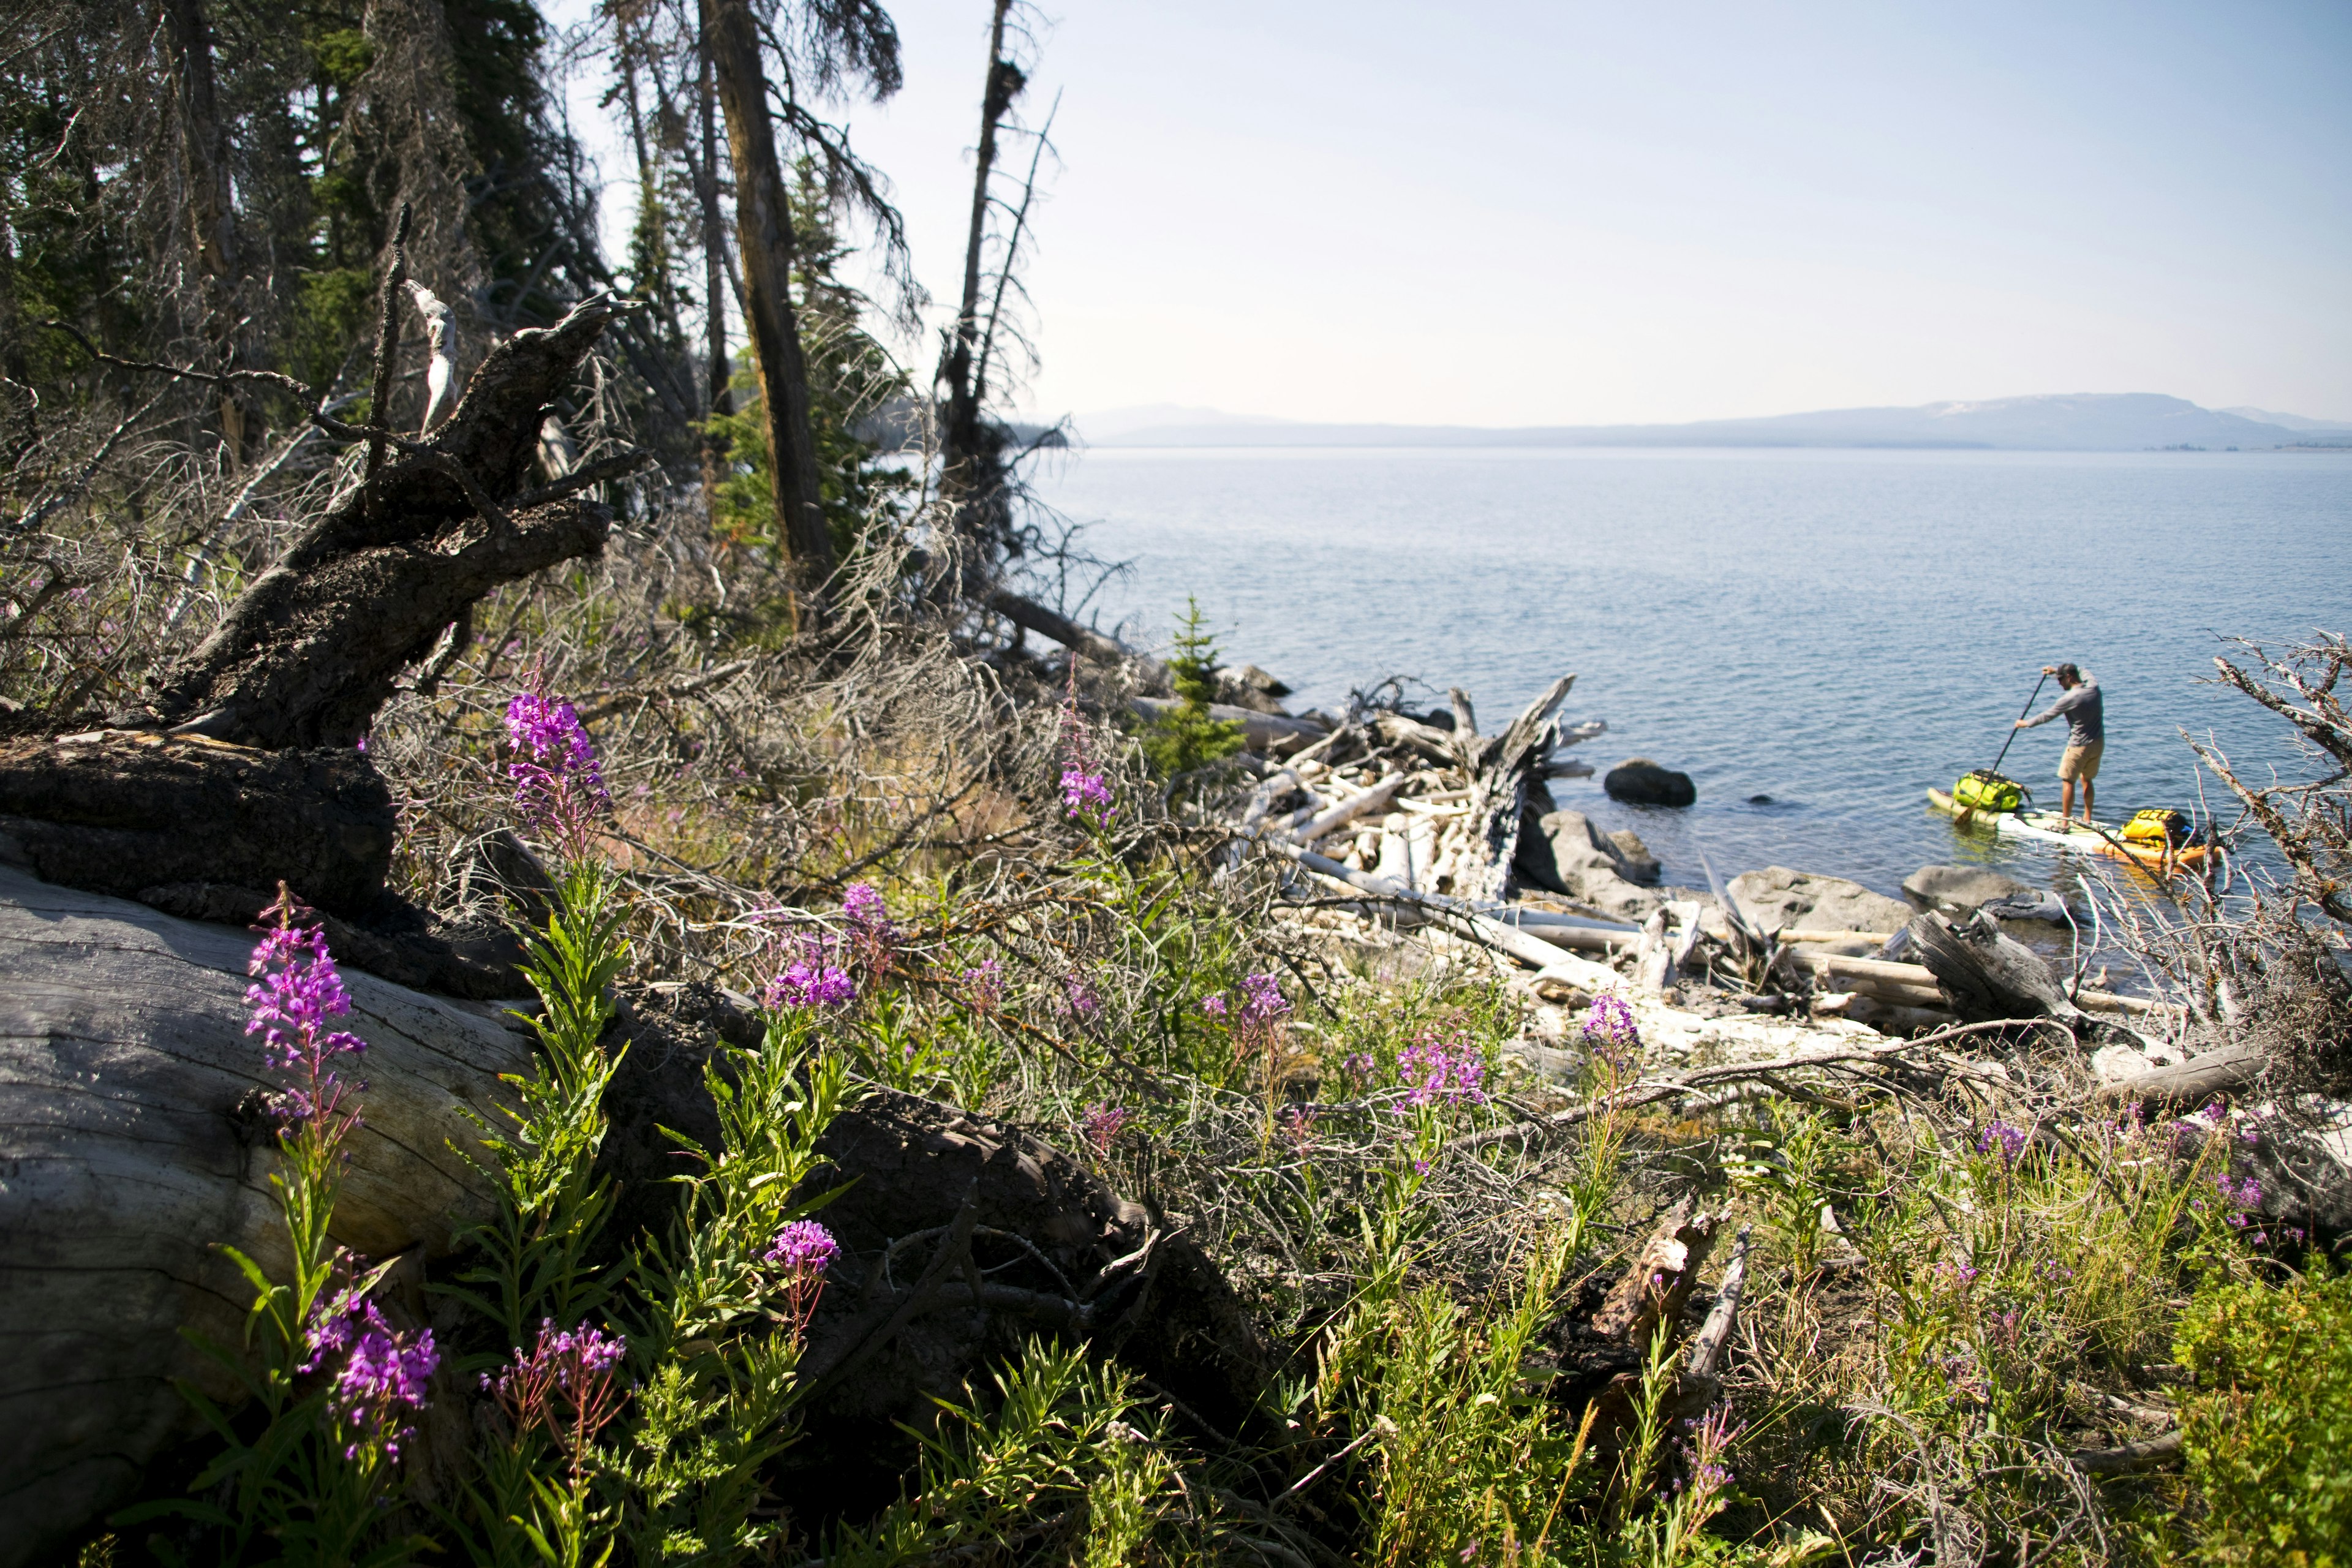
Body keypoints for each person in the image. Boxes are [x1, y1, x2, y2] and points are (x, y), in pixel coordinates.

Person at [2013, 663, 2103, 825]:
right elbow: (2084, 670)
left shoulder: (2070, 698)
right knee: (2087, 779)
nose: (2059, 683)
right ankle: (2088, 818)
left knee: (2068, 781)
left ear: (2069, 677)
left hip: (2079, 746)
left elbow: (2048, 715)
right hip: (2098, 743)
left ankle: (2065, 823)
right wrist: (2055, 671)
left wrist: (2025, 724)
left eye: (2060, 679)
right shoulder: (2093, 687)